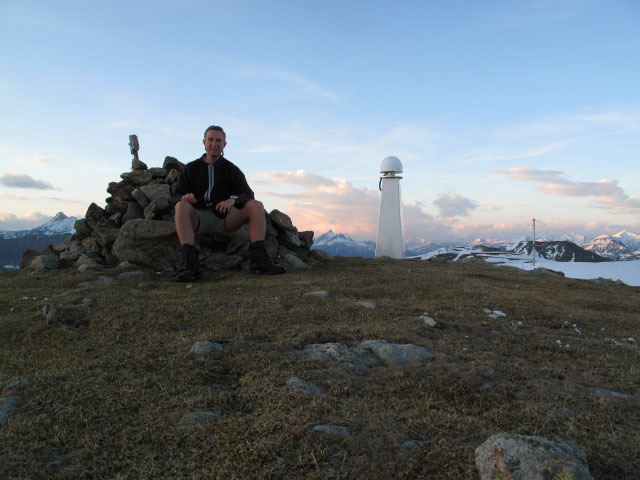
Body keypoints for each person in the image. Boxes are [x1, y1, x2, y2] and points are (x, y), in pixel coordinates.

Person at [172, 125, 285, 281]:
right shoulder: (191, 168)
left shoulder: (231, 169)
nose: (214, 144)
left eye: (219, 140)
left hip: (225, 219)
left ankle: (259, 263)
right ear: (204, 142)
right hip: (198, 218)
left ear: (224, 144)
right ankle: (190, 268)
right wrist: (185, 198)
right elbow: (176, 195)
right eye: (210, 140)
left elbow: (248, 194)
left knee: (256, 205)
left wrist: (233, 200)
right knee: (181, 206)